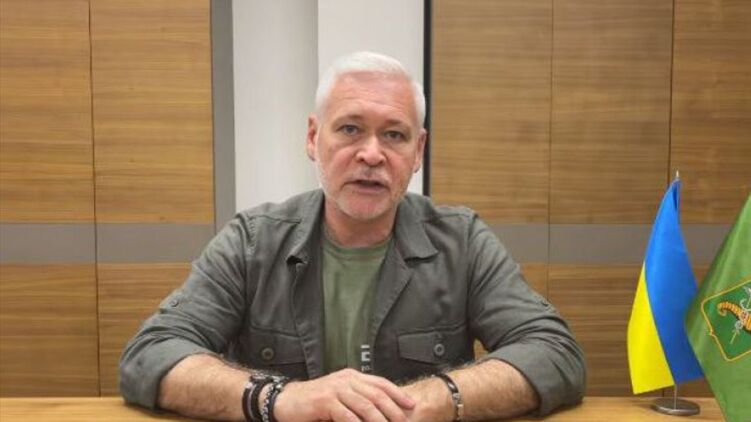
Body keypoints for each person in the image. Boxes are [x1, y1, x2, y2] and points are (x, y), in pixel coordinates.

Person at [120, 51, 585, 422]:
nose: (371, 154)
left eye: (394, 135)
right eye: (350, 129)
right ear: (313, 137)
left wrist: (439, 398)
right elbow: (152, 353)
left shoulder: (461, 242)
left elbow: (554, 352)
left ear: (418, 150)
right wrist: (280, 399)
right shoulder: (252, 242)